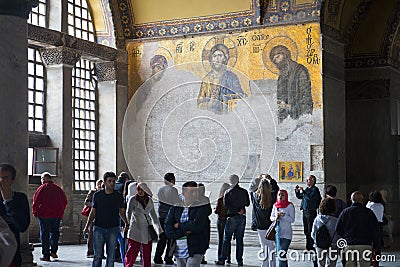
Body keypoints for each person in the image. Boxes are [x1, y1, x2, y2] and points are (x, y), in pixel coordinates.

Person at [83, 171, 129, 267]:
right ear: (104, 182)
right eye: (109, 181)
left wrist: (126, 223)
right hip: (99, 227)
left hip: (113, 227)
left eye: (113, 181)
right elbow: (93, 212)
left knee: (111, 256)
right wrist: (87, 226)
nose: (112, 183)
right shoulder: (98, 195)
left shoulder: (118, 196)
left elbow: (121, 211)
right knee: (98, 255)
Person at [164, 181, 211, 267]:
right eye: (191, 192)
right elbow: (168, 229)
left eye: (196, 192)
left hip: (196, 247)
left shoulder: (201, 207)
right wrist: (184, 232)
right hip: (178, 249)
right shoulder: (175, 208)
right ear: (184, 193)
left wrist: (179, 225)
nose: (194, 194)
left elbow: (197, 226)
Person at [197, 43, 246, 114]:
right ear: (211, 59)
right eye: (214, 56)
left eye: (220, 56)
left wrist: (224, 98)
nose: (217, 59)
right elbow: (199, 104)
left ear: (224, 59)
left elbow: (239, 97)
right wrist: (210, 103)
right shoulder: (206, 80)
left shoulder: (231, 77)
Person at [335, 191, 380, 267]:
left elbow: (338, 228)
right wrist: (375, 246)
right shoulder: (369, 212)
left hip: (349, 244)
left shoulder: (345, 212)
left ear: (351, 200)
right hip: (365, 244)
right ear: (362, 200)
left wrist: (345, 238)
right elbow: (375, 230)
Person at [269, 45, 313, 122]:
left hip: (301, 118)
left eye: (278, 57)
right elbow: (281, 98)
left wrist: (289, 107)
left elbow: (306, 99)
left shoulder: (300, 71)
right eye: (274, 60)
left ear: (285, 54)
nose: (277, 61)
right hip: (287, 121)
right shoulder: (281, 78)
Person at [125, 182, 163, 267]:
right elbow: (128, 213)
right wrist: (127, 225)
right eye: (138, 189)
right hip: (135, 228)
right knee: (132, 252)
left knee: (147, 253)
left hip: (147, 229)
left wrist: (159, 230)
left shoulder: (149, 200)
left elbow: (154, 217)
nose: (140, 192)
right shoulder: (133, 199)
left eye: (142, 190)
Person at [32, 172, 67, 262]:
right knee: (55, 233)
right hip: (56, 215)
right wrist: (60, 211)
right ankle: (54, 252)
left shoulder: (42, 188)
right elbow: (64, 201)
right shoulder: (58, 189)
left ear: (44, 178)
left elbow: (36, 200)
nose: (41, 181)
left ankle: (46, 255)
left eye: (41, 179)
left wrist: (35, 212)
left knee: (45, 235)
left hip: (44, 215)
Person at [216, 174, 250, 266]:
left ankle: (222, 259)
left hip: (231, 217)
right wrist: (240, 210)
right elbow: (247, 203)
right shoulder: (244, 191)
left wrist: (235, 210)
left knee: (227, 239)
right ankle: (239, 260)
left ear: (230, 181)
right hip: (242, 217)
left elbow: (226, 205)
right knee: (240, 240)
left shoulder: (227, 192)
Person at [0, 163, 30, 267]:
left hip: (11, 253)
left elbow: (22, 226)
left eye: (5, 178)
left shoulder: (19, 198)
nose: (1, 181)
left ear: (12, 180)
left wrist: (8, 201)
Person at [154, 173, 180, 265]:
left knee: (162, 238)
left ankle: (157, 257)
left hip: (161, 216)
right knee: (171, 238)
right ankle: (168, 258)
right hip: (170, 217)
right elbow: (176, 202)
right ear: (172, 180)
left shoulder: (160, 189)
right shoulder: (173, 190)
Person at [250, 178, 276, 267]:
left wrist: (257, 179)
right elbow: (276, 189)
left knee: (263, 246)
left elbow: (251, 188)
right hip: (270, 224)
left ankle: (264, 264)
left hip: (260, 224)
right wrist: (271, 180)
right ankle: (272, 265)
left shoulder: (255, 196)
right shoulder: (272, 196)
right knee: (271, 246)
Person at [294, 175, 322, 251]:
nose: (307, 181)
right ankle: (308, 246)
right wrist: (297, 191)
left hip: (311, 211)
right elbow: (301, 197)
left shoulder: (315, 189)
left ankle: (312, 246)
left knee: (310, 229)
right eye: (306, 180)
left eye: (309, 180)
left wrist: (303, 191)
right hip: (305, 210)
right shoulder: (307, 189)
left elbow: (310, 198)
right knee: (306, 229)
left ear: (313, 181)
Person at [311, 198, 340, 267]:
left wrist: (316, 241)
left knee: (321, 264)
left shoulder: (317, 219)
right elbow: (338, 234)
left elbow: (313, 233)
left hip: (319, 244)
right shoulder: (336, 220)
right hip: (333, 244)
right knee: (331, 264)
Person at [270, 190, 295, 267]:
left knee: (282, 253)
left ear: (286, 196)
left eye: (282, 195)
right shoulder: (275, 206)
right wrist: (276, 217)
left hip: (287, 234)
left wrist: (283, 215)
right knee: (281, 255)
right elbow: (271, 217)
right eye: (279, 195)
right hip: (278, 233)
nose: (280, 196)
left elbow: (292, 219)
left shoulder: (290, 206)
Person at [83, 179, 104, 258]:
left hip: (101, 216)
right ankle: (90, 251)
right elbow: (86, 202)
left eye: (100, 184)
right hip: (93, 215)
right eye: (98, 184)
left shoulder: (104, 193)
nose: (99, 186)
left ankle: (100, 252)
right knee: (91, 234)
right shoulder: (92, 192)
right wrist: (95, 205)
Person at [366, 191, 384, 267]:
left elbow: (366, 209)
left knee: (370, 244)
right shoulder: (381, 205)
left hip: (371, 225)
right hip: (379, 225)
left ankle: (369, 260)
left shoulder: (370, 205)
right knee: (377, 244)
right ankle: (376, 260)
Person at [215, 183, 231, 264]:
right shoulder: (230, 198)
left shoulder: (221, 198)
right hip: (229, 219)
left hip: (221, 219)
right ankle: (228, 257)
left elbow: (217, 210)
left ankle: (220, 257)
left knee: (221, 239)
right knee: (227, 239)